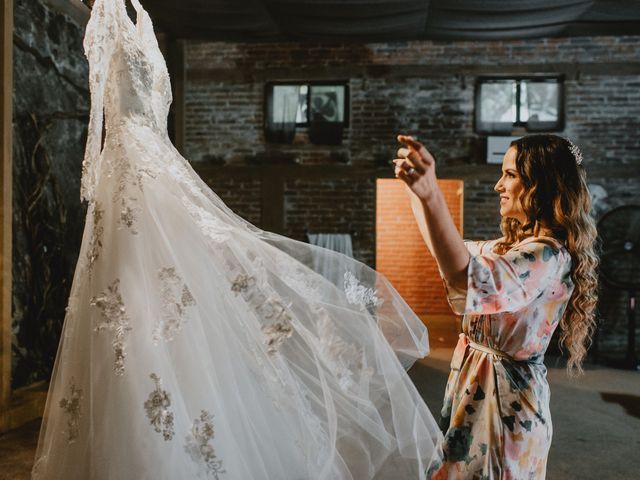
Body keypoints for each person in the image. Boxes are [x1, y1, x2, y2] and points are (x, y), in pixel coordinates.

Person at [31, 1, 444, 478]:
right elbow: (98, 111)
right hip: (131, 181)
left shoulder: (143, 18)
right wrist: (94, 177)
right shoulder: (106, 13)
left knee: (178, 310)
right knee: (132, 309)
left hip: (160, 175)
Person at [393, 134, 598, 479]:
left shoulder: (545, 256)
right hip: (476, 390)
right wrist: (417, 192)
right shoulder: (512, 247)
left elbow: (466, 278)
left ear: (542, 185)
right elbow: (449, 254)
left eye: (510, 175)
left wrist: (431, 194)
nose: (498, 186)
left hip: (505, 408)